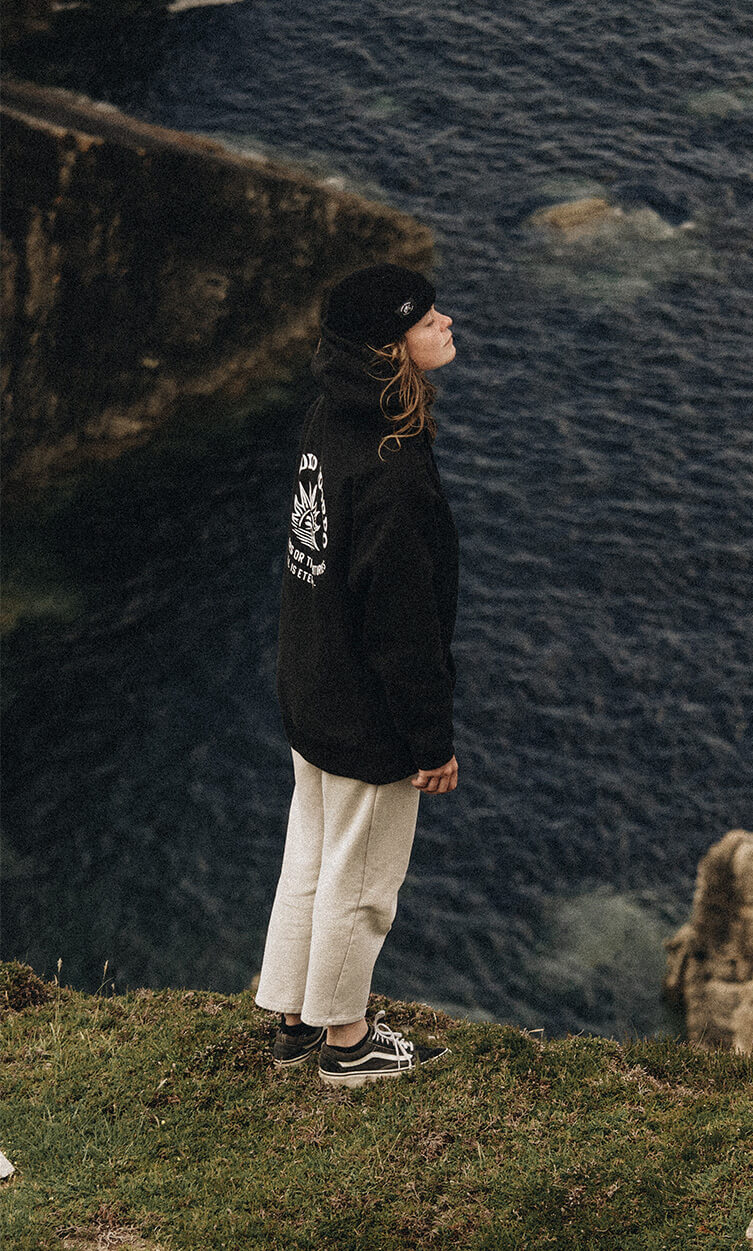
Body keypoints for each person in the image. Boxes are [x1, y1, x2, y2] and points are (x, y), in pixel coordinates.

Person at [254, 263, 459, 1087]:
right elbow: (404, 629)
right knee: (364, 879)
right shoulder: (393, 466)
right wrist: (431, 741)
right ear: (389, 346)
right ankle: (348, 1042)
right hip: (368, 712)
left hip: (310, 682)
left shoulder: (325, 418)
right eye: (425, 316)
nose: (445, 320)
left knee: (311, 854)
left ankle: (296, 1017)